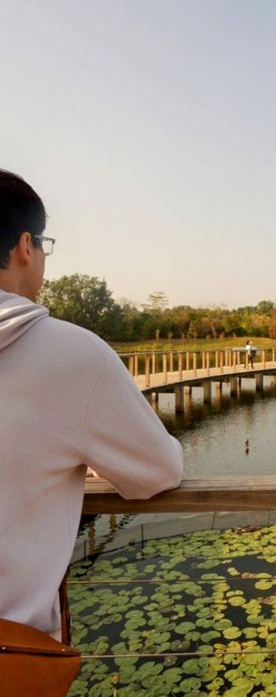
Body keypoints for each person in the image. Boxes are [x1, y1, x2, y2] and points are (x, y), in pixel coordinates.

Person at [0, 170, 184, 641]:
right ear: (25, 246)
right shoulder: (74, 355)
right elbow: (158, 471)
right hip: (15, 652)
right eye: (44, 245)